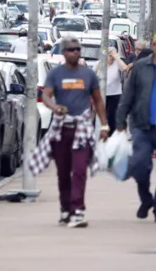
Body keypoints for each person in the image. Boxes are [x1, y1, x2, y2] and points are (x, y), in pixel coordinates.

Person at [41, 37, 110, 228]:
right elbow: (45, 95)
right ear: (63, 52)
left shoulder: (88, 75)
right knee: (63, 173)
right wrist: (54, 107)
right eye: (71, 49)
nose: (75, 52)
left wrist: (104, 125)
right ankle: (66, 209)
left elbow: (97, 101)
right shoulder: (55, 74)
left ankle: (78, 210)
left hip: (82, 129)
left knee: (79, 170)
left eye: (77, 49)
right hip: (62, 129)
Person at [116, 31, 156, 224]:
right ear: (155, 46)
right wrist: (120, 121)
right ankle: (146, 199)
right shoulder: (141, 67)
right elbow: (128, 95)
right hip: (142, 126)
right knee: (140, 165)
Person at [94, 47, 128, 143]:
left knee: (112, 118)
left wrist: (116, 56)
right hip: (101, 95)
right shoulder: (99, 63)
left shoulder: (117, 64)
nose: (110, 58)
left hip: (114, 95)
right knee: (101, 117)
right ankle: (100, 137)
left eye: (111, 55)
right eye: (109, 55)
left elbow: (125, 68)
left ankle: (111, 138)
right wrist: (102, 60)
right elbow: (93, 75)